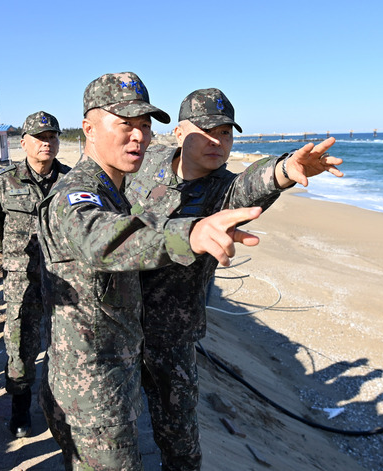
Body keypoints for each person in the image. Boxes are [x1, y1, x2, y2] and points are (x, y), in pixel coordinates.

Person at [37, 73, 263, 470]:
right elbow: (101, 239)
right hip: (92, 393)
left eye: (144, 125)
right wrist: (190, 233)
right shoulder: (77, 194)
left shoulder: (115, 189)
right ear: (89, 128)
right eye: (125, 124)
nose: (138, 136)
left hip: (112, 381)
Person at [125, 88, 343, 470]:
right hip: (119, 319)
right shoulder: (148, 161)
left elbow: (254, 182)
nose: (218, 141)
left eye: (226, 133)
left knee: (179, 439)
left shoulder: (225, 191)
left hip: (171, 333)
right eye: (206, 131)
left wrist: (285, 169)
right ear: (178, 133)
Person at [0, 111, 70, 437]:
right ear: (24, 143)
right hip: (22, 279)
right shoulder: (5, 182)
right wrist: (15, 256)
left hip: (63, 280)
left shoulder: (72, 181)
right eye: (40, 138)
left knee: (64, 345)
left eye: (52, 137)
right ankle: (20, 410)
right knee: (20, 345)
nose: (47, 143)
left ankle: (59, 406)